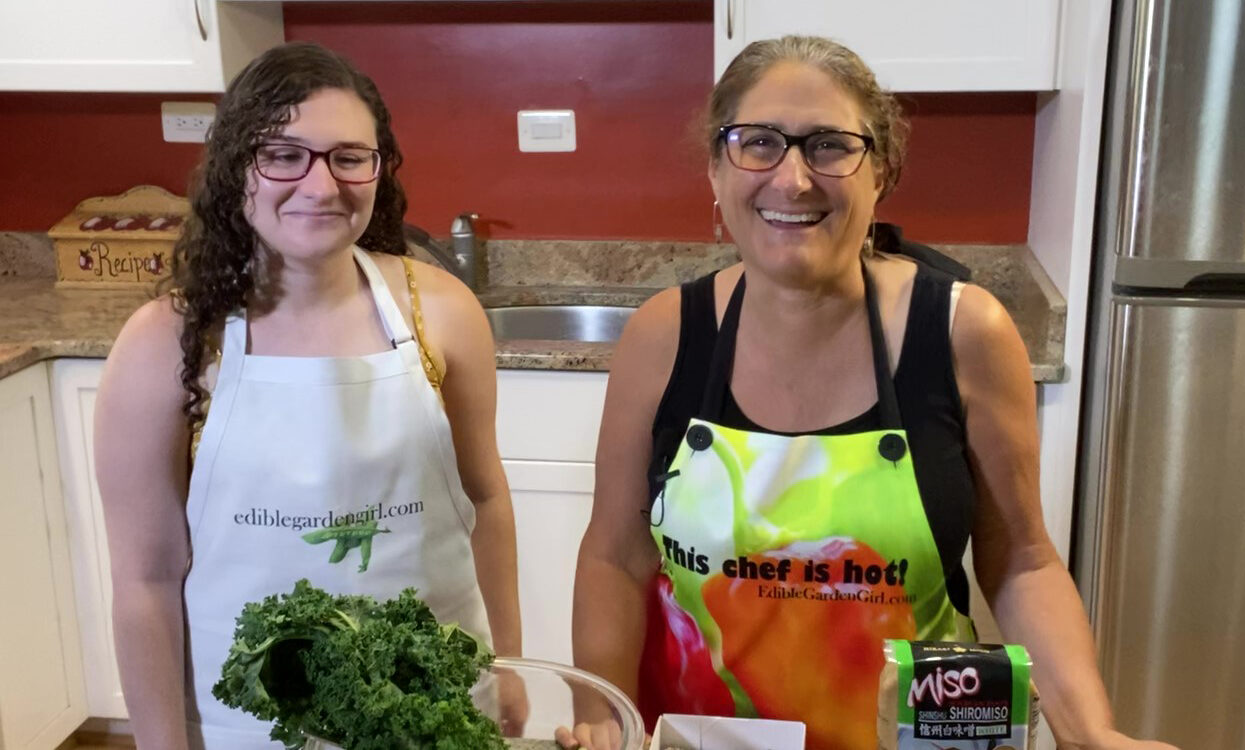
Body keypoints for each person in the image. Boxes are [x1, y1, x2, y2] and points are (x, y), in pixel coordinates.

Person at [568, 36, 1177, 750]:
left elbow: (1022, 562)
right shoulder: (664, 335)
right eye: (758, 143)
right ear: (716, 168)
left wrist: (1092, 733)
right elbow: (616, 555)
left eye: (830, 146)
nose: (793, 178)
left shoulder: (962, 333)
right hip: (701, 737)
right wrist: (602, 716)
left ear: (880, 171)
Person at [94, 42, 522, 749]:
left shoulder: (442, 312)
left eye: (349, 157)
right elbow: (146, 580)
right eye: (284, 155)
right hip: (248, 727)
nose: (322, 186)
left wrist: (508, 665)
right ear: (236, 167)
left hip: (436, 707)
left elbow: (486, 499)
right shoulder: (163, 343)